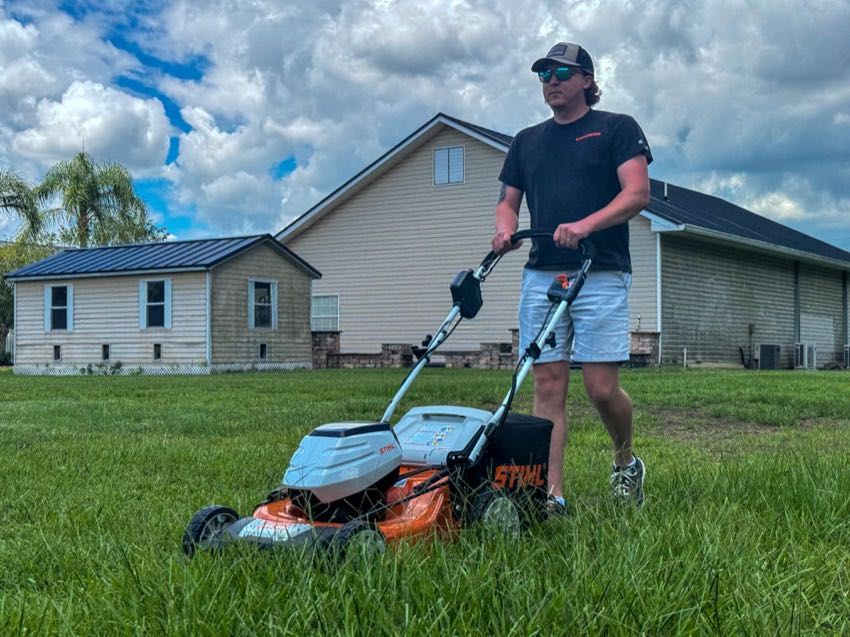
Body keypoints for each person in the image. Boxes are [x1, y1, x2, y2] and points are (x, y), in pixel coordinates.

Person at [491, 42, 652, 512]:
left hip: (599, 270)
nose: (551, 80)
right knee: (547, 382)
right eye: (543, 73)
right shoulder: (527, 141)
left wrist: (585, 225)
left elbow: (637, 193)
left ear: (587, 79)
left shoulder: (616, 129)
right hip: (542, 272)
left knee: (601, 387)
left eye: (562, 71)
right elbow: (508, 201)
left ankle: (625, 461)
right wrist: (504, 228)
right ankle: (550, 493)